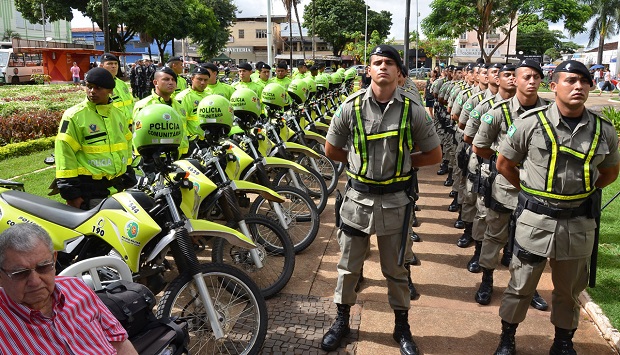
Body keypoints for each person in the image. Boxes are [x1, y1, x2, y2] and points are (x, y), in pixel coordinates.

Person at [492, 60, 620, 355]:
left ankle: (563, 341)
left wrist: (583, 193)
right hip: (536, 220)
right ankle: (507, 338)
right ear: (555, 85)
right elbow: (504, 164)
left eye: (584, 82)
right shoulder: (530, 123)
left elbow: (610, 173)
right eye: (571, 80)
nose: (579, 86)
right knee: (521, 285)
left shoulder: (603, 130)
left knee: (569, 291)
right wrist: (529, 192)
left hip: (578, 223)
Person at [322, 44, 442, 355]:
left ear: (399, 73)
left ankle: (401, 327)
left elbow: (433, 154)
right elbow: (331, 149)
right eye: (377, 62)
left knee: (397, 270)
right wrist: (357, 163)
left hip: (396, 202)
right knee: (349, 267)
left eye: (389, 62)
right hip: (357, 200)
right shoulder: (349, 107)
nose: (383, 67)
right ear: (369, 70)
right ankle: (341, 321)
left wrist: (403, 163)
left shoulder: (413, 110)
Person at [473, 59, 549, 311]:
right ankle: (487, 280)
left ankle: (529, 288)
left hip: (537, 194)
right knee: (495, 236)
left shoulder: (549, 113)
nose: (532, 81)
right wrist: (501, 163)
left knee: (530, 244)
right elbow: (479, 146)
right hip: (505, 187)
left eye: (536, 77)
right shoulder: (498, 112)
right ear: (515, 79)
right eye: (526, 76)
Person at [0, 224, 138, 355]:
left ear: (54, 259)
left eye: (43, 267)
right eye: (20, 273)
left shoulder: (77, 287)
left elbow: (119, 341)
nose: (35, 282)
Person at [54, 67, 135, 210]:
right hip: (89, 190)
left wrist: (128, 170)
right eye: (89, 87)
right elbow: (65, 154)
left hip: (116, 187)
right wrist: (71, 193)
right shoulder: (74, 116)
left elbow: (126, 144)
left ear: (110, 91)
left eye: (98, 88)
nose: (92, 91)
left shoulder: (118, 115)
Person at [134, 67, 188, 157]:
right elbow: (138, 135)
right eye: (166, 79)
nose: (171, 82)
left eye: (173, 80)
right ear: (155, 82)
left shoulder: (179, 106)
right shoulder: (144, 105)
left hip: (181, 156)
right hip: (156, 159)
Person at [176, 65, 211, 149]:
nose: (202, 82)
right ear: (192, 79)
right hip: (193, 142)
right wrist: (188, 140)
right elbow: (181, 123)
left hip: (209, 140)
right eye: (199, 79)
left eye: (205, 80)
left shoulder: (210, 96)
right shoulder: (183, 97)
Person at [100, 53, 135, 127]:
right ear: (101, 66)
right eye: (110, 64)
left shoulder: (122, 84)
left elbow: (130, 104)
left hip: (128, 125)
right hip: (113, 126)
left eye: (116, 63)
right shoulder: (99, 85)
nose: (114, 66)